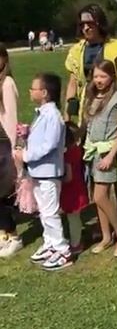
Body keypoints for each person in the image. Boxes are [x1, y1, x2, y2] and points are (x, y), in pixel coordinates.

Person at [14, 73, 73, 271]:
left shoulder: (53, 116)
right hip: (39, 172)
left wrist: (27, 155)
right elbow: (42, 138)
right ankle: (50, 244)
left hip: (48, 172)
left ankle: (62, 249)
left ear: (45, 93)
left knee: (50, 212)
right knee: (44, 212)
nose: (30, 92)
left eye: (34, 88)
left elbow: (50, 144)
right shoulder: (42, 114)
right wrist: (28, 133)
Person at [83, 60, 117, 258]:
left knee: (100, 196)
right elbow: (90, 125)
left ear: (112, 76)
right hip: (94, 152)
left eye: (103, 76)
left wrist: (111, 154)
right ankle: (106, 236)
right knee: (98, 196)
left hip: (109, 151)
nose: (99, 80)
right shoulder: (93, 96)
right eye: (96, 76)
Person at [65, 4, 117, 124]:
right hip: (86, 107)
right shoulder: (76, 51)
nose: (85, 28)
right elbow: (72, 83)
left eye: (90, 24)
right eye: (82, 25)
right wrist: (67, 118)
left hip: (113, 107)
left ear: (99, 23)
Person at [0, 44, 21, 258]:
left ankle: (14, 236)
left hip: (4, 144)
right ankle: (3, 233)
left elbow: (11, 118)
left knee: (3, 193)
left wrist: (11, 148)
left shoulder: (6, 83)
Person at [61, 122, 89, 255]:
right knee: (75, 218)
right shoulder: (77, 150)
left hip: (71, 192)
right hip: (78, 189)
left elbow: (68, 177)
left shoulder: (67, 155)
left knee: (73, 218)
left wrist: (59, 180)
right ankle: (77, 239)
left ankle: (75, 244)